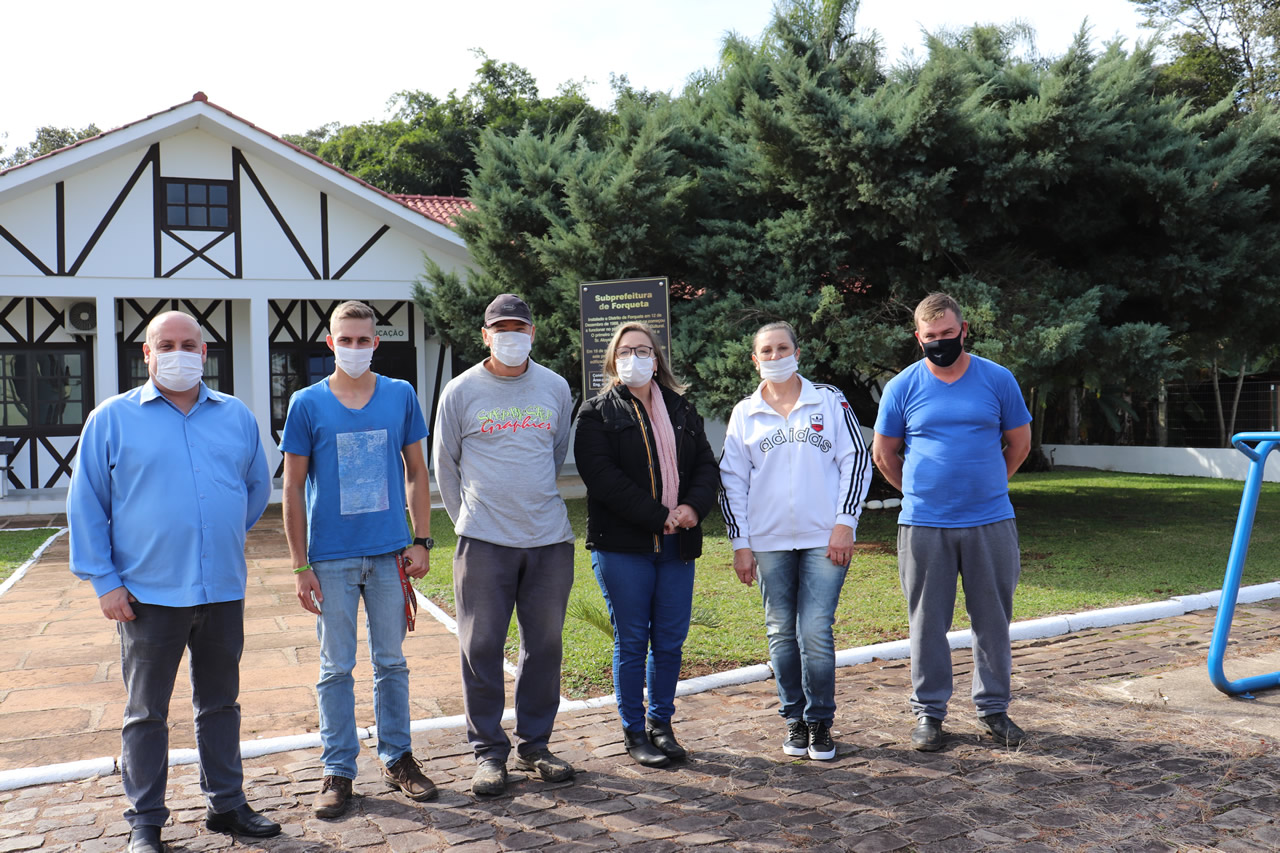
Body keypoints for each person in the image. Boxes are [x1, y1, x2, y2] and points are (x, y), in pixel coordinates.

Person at [67, 311, 278, 853]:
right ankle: (145, 821)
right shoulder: (111, 419)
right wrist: (105, 581)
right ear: (147, 353)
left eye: (189, 344)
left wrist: (215, 532)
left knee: (221, 704)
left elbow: (255, 488)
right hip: (146, 595)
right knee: (146, 713)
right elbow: (86, 504)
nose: (178, 353)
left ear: (204, 353)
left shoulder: (235, 416)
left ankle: (226, 804)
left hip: (221, 587)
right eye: (166, 345)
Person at [280, 300, 437, 817]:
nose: (353, 347)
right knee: (336, 668)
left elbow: (417, 471)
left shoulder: (400, 394)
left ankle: (398, 759)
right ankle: (338, 770)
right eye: (344, 340)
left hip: (390, 554)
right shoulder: (306, 403)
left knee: (392, 663)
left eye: (362, 339)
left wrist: (421, 539)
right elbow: (292, 486)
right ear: (330, 343)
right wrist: (300, 565)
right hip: (331, 559)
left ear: (376, 342)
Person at [871, 292, 1032, 752]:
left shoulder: (997, 379)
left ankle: (994, 709)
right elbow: (884, 454)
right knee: (927, 624)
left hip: (990, 520)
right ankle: (929, 713)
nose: (940, 341)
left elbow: (1019, 444)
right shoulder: (902, 386)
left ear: (963, 330)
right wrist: (921, 492)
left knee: (993, 621)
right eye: (931, 336)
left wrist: (988, 484)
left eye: (947, 333)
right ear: (918, 337)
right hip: (924, 524)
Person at [433, 293, 577, 797]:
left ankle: (535, 745)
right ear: (485, 335)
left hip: (548, 540)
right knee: (481, 647)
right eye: (501, 329)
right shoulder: (460, 390)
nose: (510, 336)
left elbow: (555, 453)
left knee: (545, 647)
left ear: (532, 333)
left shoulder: (555, 387)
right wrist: (466, 521)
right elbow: (444, 463)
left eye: (519, 328)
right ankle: (489, 753)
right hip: (483, 542)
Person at [719, 321, 873, 761]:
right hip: (767, 542)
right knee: (781, 631)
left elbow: (856, 459)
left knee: (814, 629)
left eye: (782, 348)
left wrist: (845, 523)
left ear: (797, 353)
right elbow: (731, 480)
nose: (775, 356)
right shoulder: (745, 413)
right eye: (766, 351)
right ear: (755, 360)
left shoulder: (828, 400)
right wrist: (740, 543)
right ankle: (795, 719)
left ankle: (820, 720)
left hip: (825, 538)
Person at [574, 322, 720, 767]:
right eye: (624, 351)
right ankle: (634, 732)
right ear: (612, 361)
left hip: (678, 546)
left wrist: (692, 507)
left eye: (642, 350)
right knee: (633, 641)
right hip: (623, 548)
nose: (633, 358)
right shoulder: (596, 414)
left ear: (656, 360)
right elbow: (602, 479)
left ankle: (661, 724)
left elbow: (706, 466)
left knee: (670, 641)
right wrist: (660, 516)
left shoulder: (681, 408)